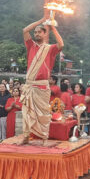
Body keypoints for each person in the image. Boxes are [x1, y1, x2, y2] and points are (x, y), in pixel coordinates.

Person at [20, 17, 63, 145]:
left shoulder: (49, 48)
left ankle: (44, 138)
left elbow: (61, 44)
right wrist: (41, 20)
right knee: (26, 112)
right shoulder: (31, 45)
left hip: (42, 86)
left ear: (45, 34)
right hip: (30, 85)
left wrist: (53, 27)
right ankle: (26, 136)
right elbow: (25, 30)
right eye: (36, 32)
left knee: (43, 113)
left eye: (40, 32)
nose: (37, 34)